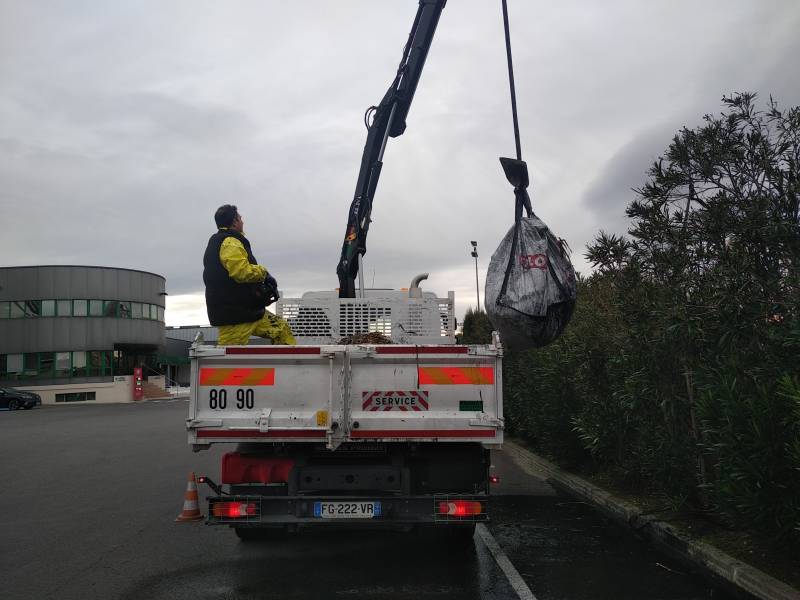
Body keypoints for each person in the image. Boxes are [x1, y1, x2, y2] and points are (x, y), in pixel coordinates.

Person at [202, 204, 296, 346]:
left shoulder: (222, 241)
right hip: (235, 316)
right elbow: (241, 271)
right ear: (234, 221)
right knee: (228, 359)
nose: (243, 221)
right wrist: (263, 272)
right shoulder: (230, 242)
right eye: (240, 218)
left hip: (249, 312)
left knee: (281, 328)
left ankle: (286, 366)